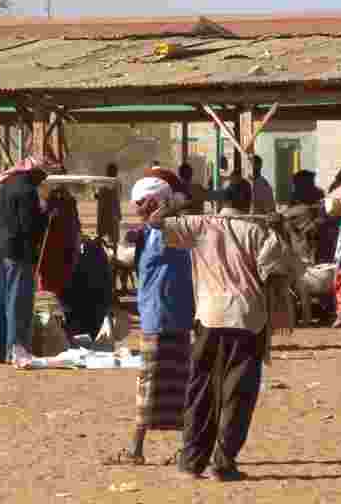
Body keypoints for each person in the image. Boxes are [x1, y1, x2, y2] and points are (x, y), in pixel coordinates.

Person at [147, 178, 297, 481]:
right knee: (237, 394)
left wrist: (181, 202)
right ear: (248, 203)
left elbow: (155, 222)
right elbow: (281, 272)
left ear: (220, 200)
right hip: (247, 319)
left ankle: (191, 461)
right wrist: (279, 228)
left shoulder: (200, 224)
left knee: (201, 390)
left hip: (209, 317)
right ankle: (223, 463)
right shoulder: (258, 230)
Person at [123, 172, 195, 465]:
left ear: (153, 201)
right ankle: (179, 448)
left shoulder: (165, 231)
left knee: (154, 385)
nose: (135, 209)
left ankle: (136, 450)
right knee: (175, 384)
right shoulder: (162, 229)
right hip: (168, 315)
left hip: (162, 317)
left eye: (140, 203)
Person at [0, 157, 52, 367]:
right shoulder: (26, 192)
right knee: (18, 302)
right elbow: (29, 227)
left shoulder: (5, 187)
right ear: (33, 173)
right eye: (42, 175)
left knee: (0, 300)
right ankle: (17, 349)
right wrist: (47, 215)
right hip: (17, 254)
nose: (43, 180)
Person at [95, 163, 121, 244]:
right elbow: (117, 199)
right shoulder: (117, 183)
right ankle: (113, 253)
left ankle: (100, 251)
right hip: (112, 213)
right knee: (113, 238)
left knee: (102, 235)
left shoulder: (102, 183)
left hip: (104, 213)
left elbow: (97, 196)